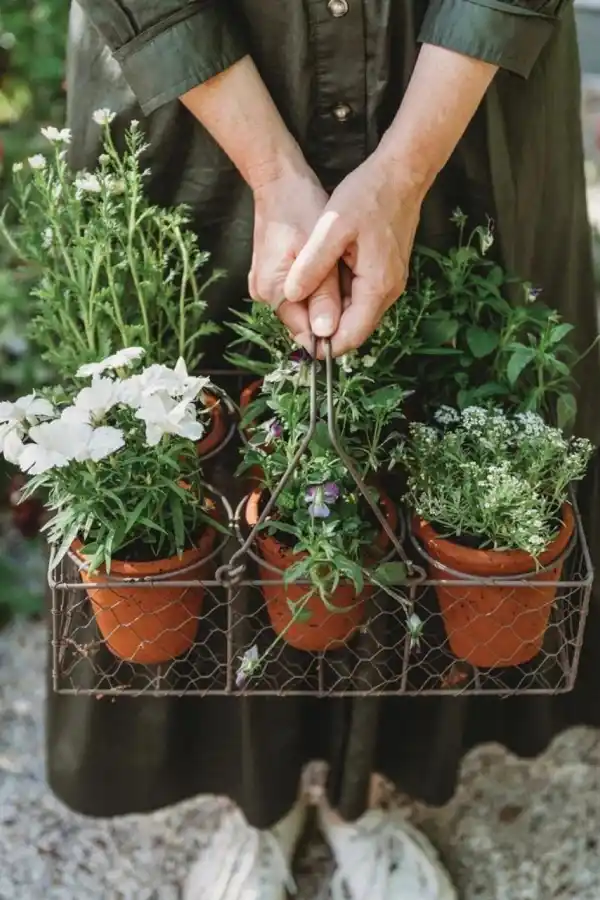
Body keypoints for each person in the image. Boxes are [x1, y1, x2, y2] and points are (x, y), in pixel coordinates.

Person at [51, 2, 600, 897]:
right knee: (199, 425)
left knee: (446, 404)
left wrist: (404, 171)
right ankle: (251, 800)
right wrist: (271, 170)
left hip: (450, 68)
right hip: (202, 74)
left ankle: (371, 788)